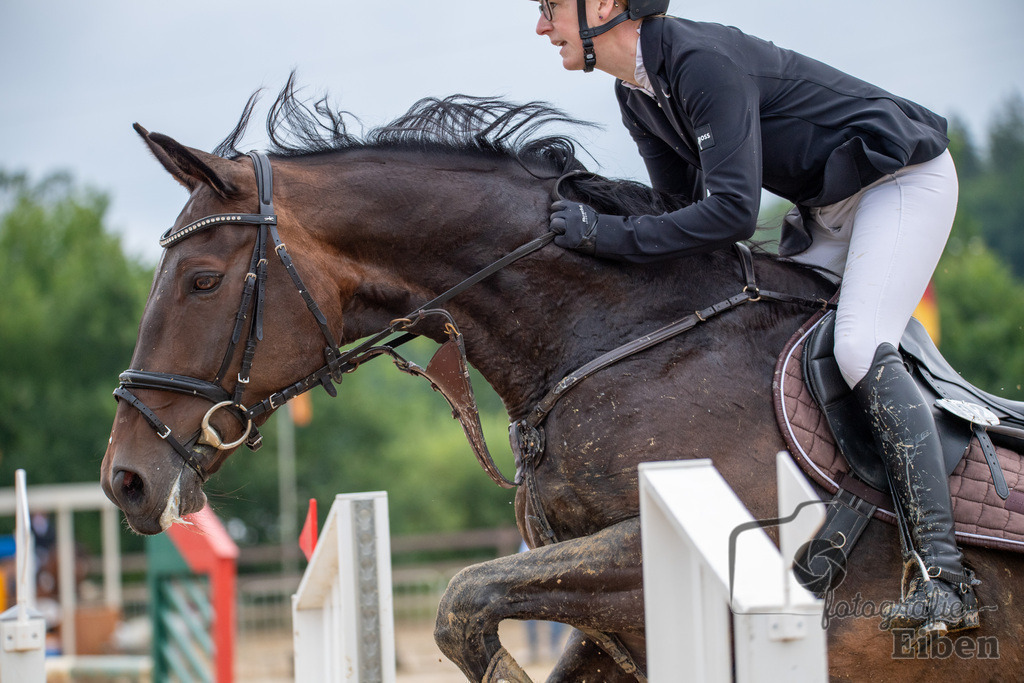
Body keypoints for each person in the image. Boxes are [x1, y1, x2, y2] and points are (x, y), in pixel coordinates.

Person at [532, 0, 979, 643]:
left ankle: (945, 576)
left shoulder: (698, 62)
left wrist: (605, 234)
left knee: (856, 346)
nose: (542, 27)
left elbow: (733, 214)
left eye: (549, 8)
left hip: (899, 184)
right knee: (770, 333)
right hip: (828, 211)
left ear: (603, 5)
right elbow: (681, 218)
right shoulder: (638, 96)